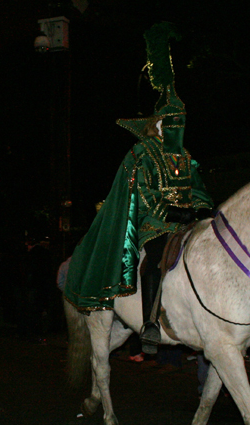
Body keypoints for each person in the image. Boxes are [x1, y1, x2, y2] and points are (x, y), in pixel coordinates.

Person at [63, 23, 213, 354]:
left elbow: (200, 191)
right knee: (157, 257)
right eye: (171, 120)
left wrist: (201, 209)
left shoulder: (187, 158)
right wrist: (173, 212)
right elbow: (142, 194)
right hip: (154, 226)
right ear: (158, 123)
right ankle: (150, 324)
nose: (177, 126)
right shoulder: (143, 153)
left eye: (180, 121)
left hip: (189, 225)